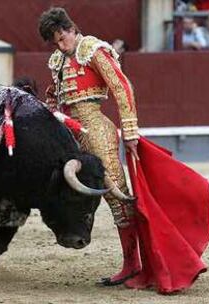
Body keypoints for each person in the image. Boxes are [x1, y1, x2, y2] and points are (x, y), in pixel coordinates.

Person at [38, 7, 141, 287]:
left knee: (118, 196)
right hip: (71, 133)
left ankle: (134, 263)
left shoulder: (92, 49)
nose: (61, 45)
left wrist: (130, 130)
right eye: (55, 41)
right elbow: (54, 92)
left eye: (62, 38)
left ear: (71, 29)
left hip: (96, 129)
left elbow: (121, 87)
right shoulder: (58, 59)